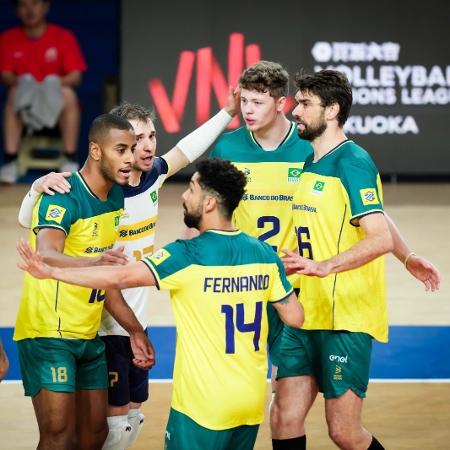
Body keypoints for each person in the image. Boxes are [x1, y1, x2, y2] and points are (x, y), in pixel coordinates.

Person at [17, 158, 305, 450]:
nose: (183, 195)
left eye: (191, 189)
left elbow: (122, 275)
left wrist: (53, 271)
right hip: (250, 399)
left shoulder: (186, 254)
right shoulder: (265, 255)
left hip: (202, 404)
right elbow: (295, 316)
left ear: (208, 204)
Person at [17, 91, 239, 449]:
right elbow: (39, 231)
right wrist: (34, 189)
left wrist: (227, 112)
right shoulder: (79, 192)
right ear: (107, 147)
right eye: (133, 142)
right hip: (85, 322)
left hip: (124, 310)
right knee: (88, 429)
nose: (146, 146)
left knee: (119, 422)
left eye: (150, 137)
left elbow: (186, 149)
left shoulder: (141, 184)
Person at [209, 61, 440, 387]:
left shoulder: (311, 146)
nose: (247, 110)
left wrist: (406, 256)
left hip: (296, 284)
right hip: (247, 279)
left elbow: (370, 210)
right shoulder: (227, 148)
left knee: (284, 389)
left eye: (257, 102)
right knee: (238, 382)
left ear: (280, 104)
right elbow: (207, 214)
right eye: (243, 101)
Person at [270, 69, 439, 450]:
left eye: (305, 104)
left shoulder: (352, 160)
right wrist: (408, 255)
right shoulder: (312, 160)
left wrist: (326, 266)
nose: (295, 110)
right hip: (305, 311)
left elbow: (376, 233)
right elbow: (373, 212)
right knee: (283, 418)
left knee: (344, 432)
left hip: (345, 316)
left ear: (332, 110)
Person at [13, 113, 154, 450]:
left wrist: (135, 331)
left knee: (95, 435)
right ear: (95, 151)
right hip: (48, 334)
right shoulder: (62, 193)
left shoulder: (116, 197)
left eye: (132, 149)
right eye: (120, 149)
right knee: (59, 436)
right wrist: (95, 262)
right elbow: (46, 253)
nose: (130, 158)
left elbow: (106, 282)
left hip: (88, 336)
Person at [0, 0, 87, 183]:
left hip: (55, 102)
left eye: (35, 4)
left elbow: (75, 77)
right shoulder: (8, 38)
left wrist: (50, 84)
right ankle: (10, 161)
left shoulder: (63, 36)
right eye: (23, 5)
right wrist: (27, 84)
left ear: (46, 6)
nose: (30, 10)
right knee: (13, 93)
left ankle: (70, 158)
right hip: (26, 102)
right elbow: (6, 76)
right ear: (17, 10)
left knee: (68, 94)